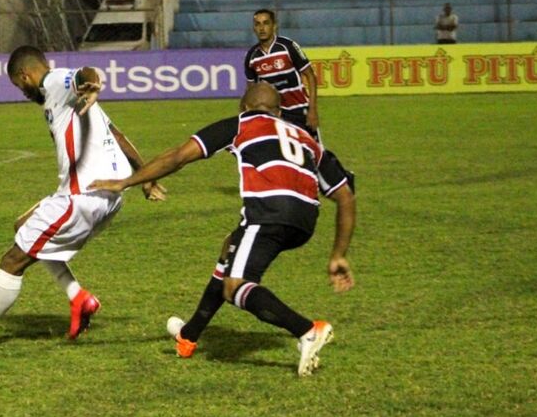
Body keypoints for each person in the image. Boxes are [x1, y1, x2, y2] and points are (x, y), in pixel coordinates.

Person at [89, 82, 356, 376]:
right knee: (231, 245)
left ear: (243, 107)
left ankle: (307, 330)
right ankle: (189, 335)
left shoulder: (241, 124)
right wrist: (338, 254)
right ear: (279, 111)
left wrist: (127, 181)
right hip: (305, 220)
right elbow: (345, 195)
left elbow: (178, 156)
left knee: (235, 286)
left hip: (268, 212)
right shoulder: (307, 139)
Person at [0, 45, 167, 350]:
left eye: (19, 86)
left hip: (83, 196)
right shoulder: (68, 101)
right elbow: (116, 135)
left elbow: (83, 74)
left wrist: (92, 82)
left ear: (25, 75)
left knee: (13, 260)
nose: (23, 92)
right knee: (24, 226)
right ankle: (78, 298)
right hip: (106, 195)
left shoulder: (53, 82)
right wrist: (145, 176)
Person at [245, 8, 320, 135]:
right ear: (254, 28)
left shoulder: (288, 46)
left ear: (274, 26)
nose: (262, 28)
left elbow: (310, 76)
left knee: (313, 153)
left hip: (300, 110)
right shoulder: (252, 56)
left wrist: (312, 110)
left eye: (266, 23)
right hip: (274, 114)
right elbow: (251, 92)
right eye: (258, 24)